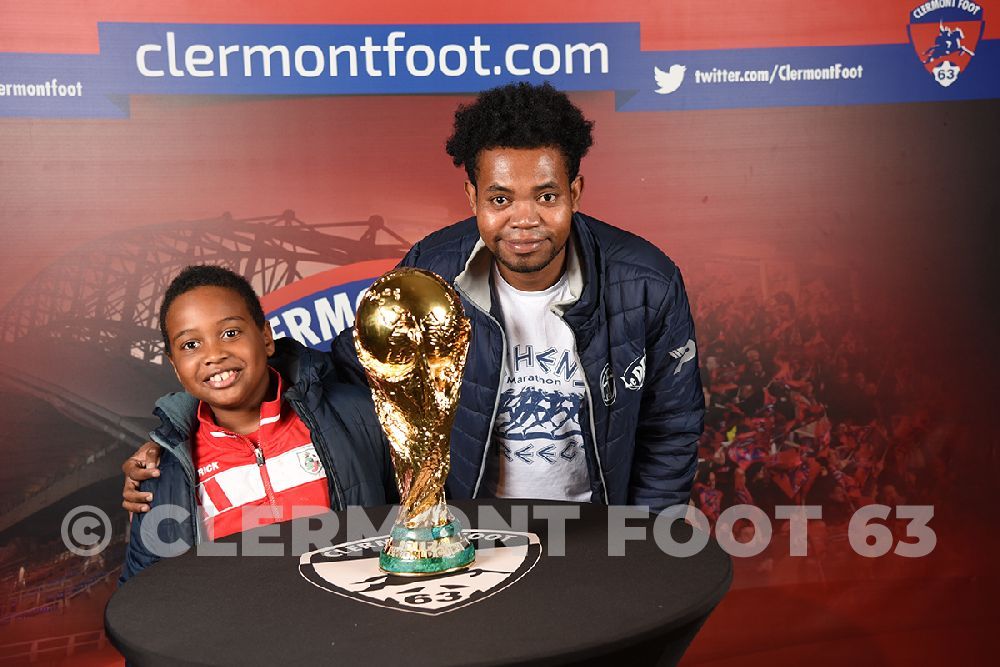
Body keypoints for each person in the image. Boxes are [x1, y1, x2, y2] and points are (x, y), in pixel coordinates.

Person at [123, 82, 703, 514]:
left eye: (546, 195)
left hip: (597, 528)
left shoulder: (646, 280)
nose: (524, 219)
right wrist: (175, 441)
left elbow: (671, 427)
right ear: (472, 194)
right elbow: (352, 369)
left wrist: (639, 539)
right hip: (471, 529)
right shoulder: (433, 268)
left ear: (575, 191)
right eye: (501, 198)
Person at [119, 266, 394, 582]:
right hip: (235, 630)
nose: (214, 354)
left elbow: (422, 521)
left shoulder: (357, 416)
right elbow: (143, 596)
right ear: (176, 367)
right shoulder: (161, 475)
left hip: (360, 621)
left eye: (230, 333)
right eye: (190, 344)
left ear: (265, 337)